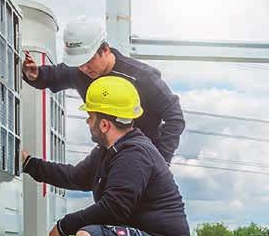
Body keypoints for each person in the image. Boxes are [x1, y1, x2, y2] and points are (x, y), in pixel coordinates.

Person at [20, 75, 190, 236]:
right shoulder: (107, 152)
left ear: (104, 124)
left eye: (90, 116)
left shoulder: (134, 153)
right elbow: (74, 176)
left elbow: (114, 208)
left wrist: (64, 226)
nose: (88, 121)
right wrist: (29, 164)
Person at [22, 16, 185, 164]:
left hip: (143, 159)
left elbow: (175, 116)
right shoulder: (79, 71)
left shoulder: (143, 77)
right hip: (109, 155)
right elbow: (54, 75)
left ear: (105, 50)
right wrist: (35, 74)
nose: (84, 68)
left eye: (88, 60)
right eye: (79, 63)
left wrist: (161, 159)